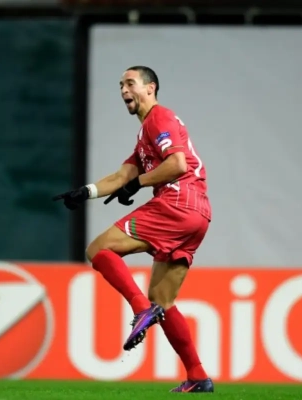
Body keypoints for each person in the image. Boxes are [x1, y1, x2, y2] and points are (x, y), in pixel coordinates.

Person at [53, 66, 214, 393]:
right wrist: (85, 192)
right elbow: (121, 177)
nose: (123, 90)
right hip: (198, 214)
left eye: (130, 83)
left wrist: (138, 184)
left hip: (177, 202)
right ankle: (198, 376)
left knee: (98, 250)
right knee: (163, 301)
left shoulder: (159, 118)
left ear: (150, 88)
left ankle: (140, 308)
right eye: (120, 85)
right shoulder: (145, 135)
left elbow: (177, 164)